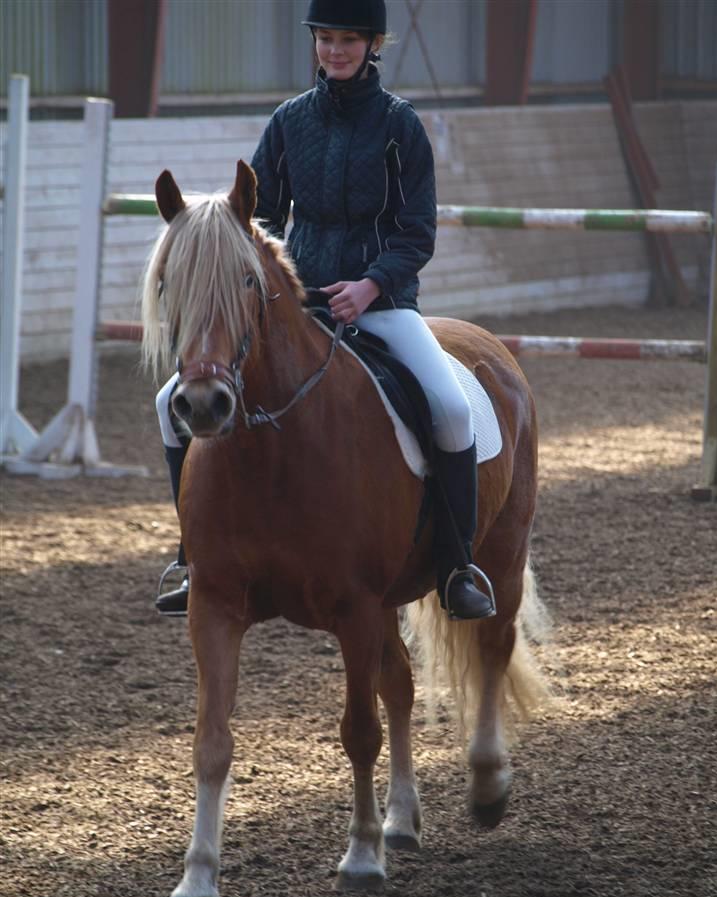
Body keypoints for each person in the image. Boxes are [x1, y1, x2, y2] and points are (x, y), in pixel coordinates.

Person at [155, 0, 495, 621]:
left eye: (348, 39)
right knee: (167, 403)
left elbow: (417, 232)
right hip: (299, 306)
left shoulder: (401, 126)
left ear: (373, 46)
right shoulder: (288, 122)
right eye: (326, 38)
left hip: (382, 305)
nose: (335, 50)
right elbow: (252, 221)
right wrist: (271, 286)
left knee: (449, 408)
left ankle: (455, 565)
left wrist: (369, 285)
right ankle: (190, 556)